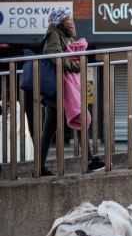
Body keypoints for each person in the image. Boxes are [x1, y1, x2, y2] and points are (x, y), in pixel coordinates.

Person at [23, 9, 102, 175]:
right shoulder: (54, 33)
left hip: (64, 87)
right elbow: (55, 55)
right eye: (67, 17)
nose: (70, 20)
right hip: (57, 88)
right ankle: (86, 161)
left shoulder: (64, 34)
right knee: (60, 125)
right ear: (59, 20)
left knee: (54, 128)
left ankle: (86, 160)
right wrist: (75, 65)